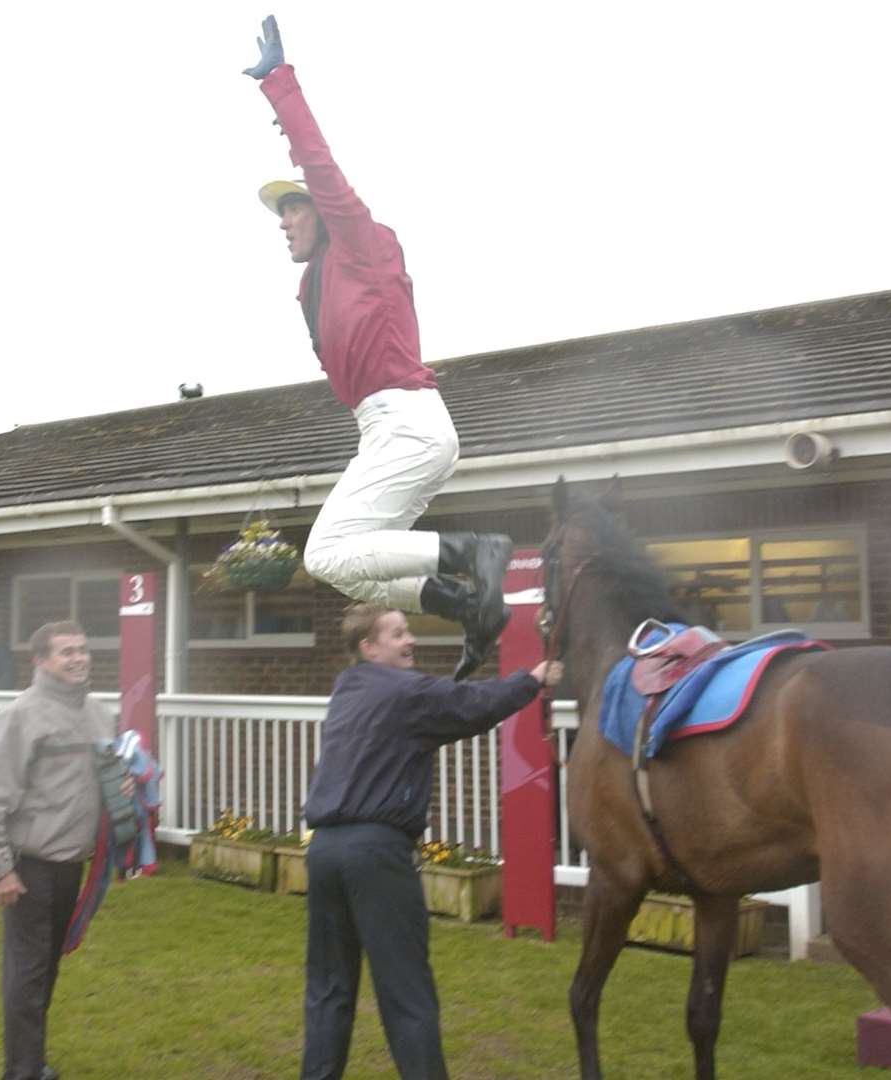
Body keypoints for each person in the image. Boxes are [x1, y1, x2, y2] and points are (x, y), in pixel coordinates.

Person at [245, 14, 513, 680]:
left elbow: (318, 164)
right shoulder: (316, 285)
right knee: (357, 570)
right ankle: (465, 606)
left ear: (324, 213)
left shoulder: (363, 243)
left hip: (408, 425)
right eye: (280, 215)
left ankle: (473, 552)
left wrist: (280, 87)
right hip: (387, 431)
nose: (283, 225)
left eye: (293, 211)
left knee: (327, 556)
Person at [298, 602, 562, 1079]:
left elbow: (441, 707)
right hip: (375, 854)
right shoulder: (405, 692)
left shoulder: (346, 688)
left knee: (329, 989)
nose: (410, 640)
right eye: (397, 633)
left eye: (408, 631)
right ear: (368, 647)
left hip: (325, 853)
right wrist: (534, 678)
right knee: (407, 993)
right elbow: (471, 706)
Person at [0, 620, 115, 1080]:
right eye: (66, 651)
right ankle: (23, 1071)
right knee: (27, 975)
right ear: (40, 661)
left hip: (72, 867)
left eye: (83, 649)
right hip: (29, 867)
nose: (78, 658)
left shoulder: (99, 715)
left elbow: (108, 781)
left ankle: (31, 1061)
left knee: (45, 970)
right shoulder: (20, 717)